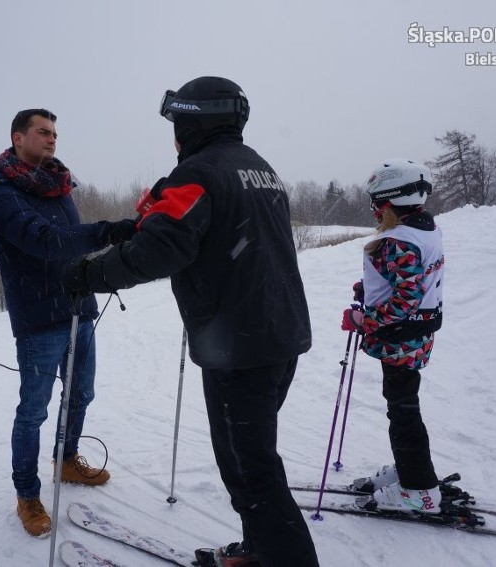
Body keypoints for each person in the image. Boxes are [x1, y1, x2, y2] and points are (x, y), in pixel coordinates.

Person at [61, 77, 319, 567]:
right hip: (276, 336)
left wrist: (90, 271)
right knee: (250, 460)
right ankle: (262, 549)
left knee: (253, 473)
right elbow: (214, 237)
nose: (174, 137)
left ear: (191, 122)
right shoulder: (257, 167)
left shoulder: (198, 173)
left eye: (177, 124)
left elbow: (161, 251)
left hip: (240, 347)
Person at [0, 108, 134, 538]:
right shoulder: (1, 194)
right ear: (17, 137)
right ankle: (27, 494)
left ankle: (66, 461)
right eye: (43, 132)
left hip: (78, 308)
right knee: (34, 411)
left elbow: (73, 248)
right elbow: (46, 243)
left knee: (81, 393)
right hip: (39, 318)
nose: (52, 139)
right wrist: (112, 231)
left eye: (55, 133)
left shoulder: (60, 184)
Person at [341, 158, 445, 514]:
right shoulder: (425, 230)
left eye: (376, 203)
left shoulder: (396, 241)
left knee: (402, 412)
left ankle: (419, 489)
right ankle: (410, 471)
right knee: (402, 406)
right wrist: (369, 288)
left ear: (389, 202)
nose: (373, 211)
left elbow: (403, 300)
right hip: (417, 334)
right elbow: (410, 280)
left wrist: (362, 318)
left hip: (400, 337)